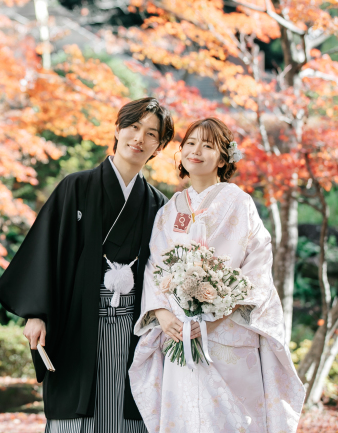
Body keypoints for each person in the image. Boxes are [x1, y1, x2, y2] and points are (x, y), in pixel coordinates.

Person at [0, 97, 175, 433]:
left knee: (126, 414)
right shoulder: (75, 187)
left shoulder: (159, 205)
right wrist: (37, 313)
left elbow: (165, 273)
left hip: (134, 328)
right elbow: (47, 250)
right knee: (76, 417)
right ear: (118, 129)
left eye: (151, 134)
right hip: (77, 321)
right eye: (134, 127)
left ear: (159, 146)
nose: (139, 138)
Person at [128, 117, 305, 433]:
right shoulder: (169, 210)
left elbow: (258, 263)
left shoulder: (239, 202)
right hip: (181, 333)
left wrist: (219, 312)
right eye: (190, 143)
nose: (196, 151)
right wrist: (161, 313)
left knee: (232, 421)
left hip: (227, 332)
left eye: (207, 146)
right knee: (183, 418)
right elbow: (155, 266)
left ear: (223, 159)